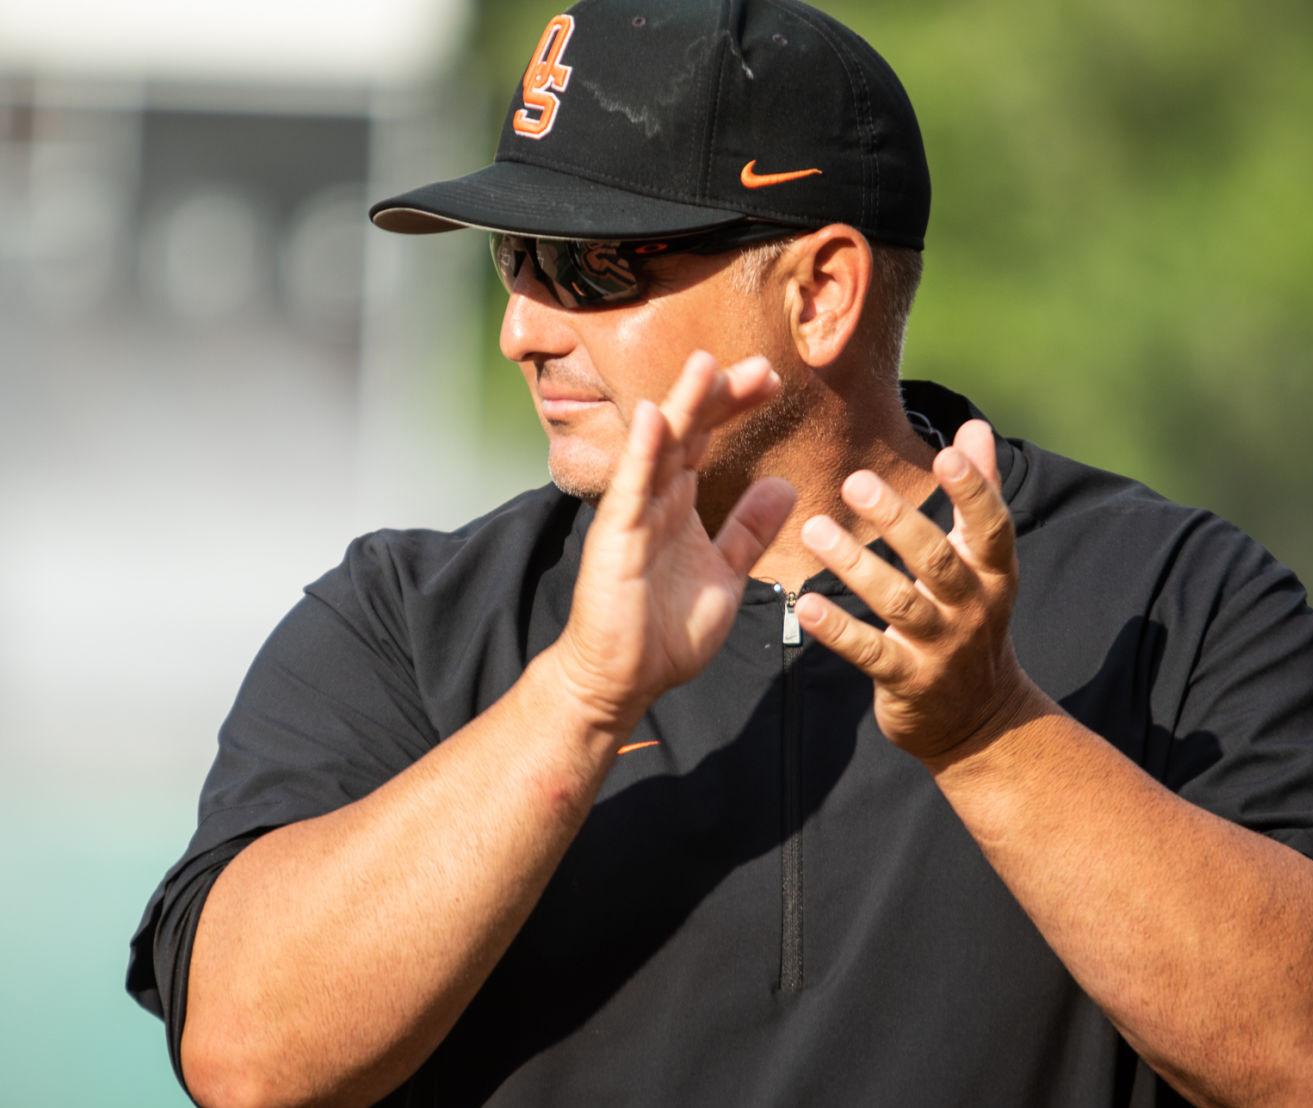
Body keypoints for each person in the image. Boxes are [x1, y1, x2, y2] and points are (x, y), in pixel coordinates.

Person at [127, 1, 1313, 1105]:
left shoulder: (1176, 598)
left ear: (820, 293)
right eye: (512, 259)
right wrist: (577, 697)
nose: (521, 330)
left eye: (589, 266)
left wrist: (991, 734)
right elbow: (247, 1057)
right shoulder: (405, 618)